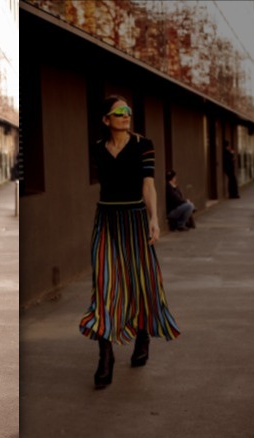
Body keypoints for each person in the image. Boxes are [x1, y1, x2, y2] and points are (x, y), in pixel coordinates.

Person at [78, 95, 180, 389]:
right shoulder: (97, 149)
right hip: (107, 221)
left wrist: (154, 219)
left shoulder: (143, 145)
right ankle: (105, 355)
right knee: (105, 284)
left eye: (128, 112)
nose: (125, 116)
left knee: (142, 281)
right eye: (119, 112)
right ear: (106, 119)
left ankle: (143, 336)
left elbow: (148, 185)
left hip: (135, 220)